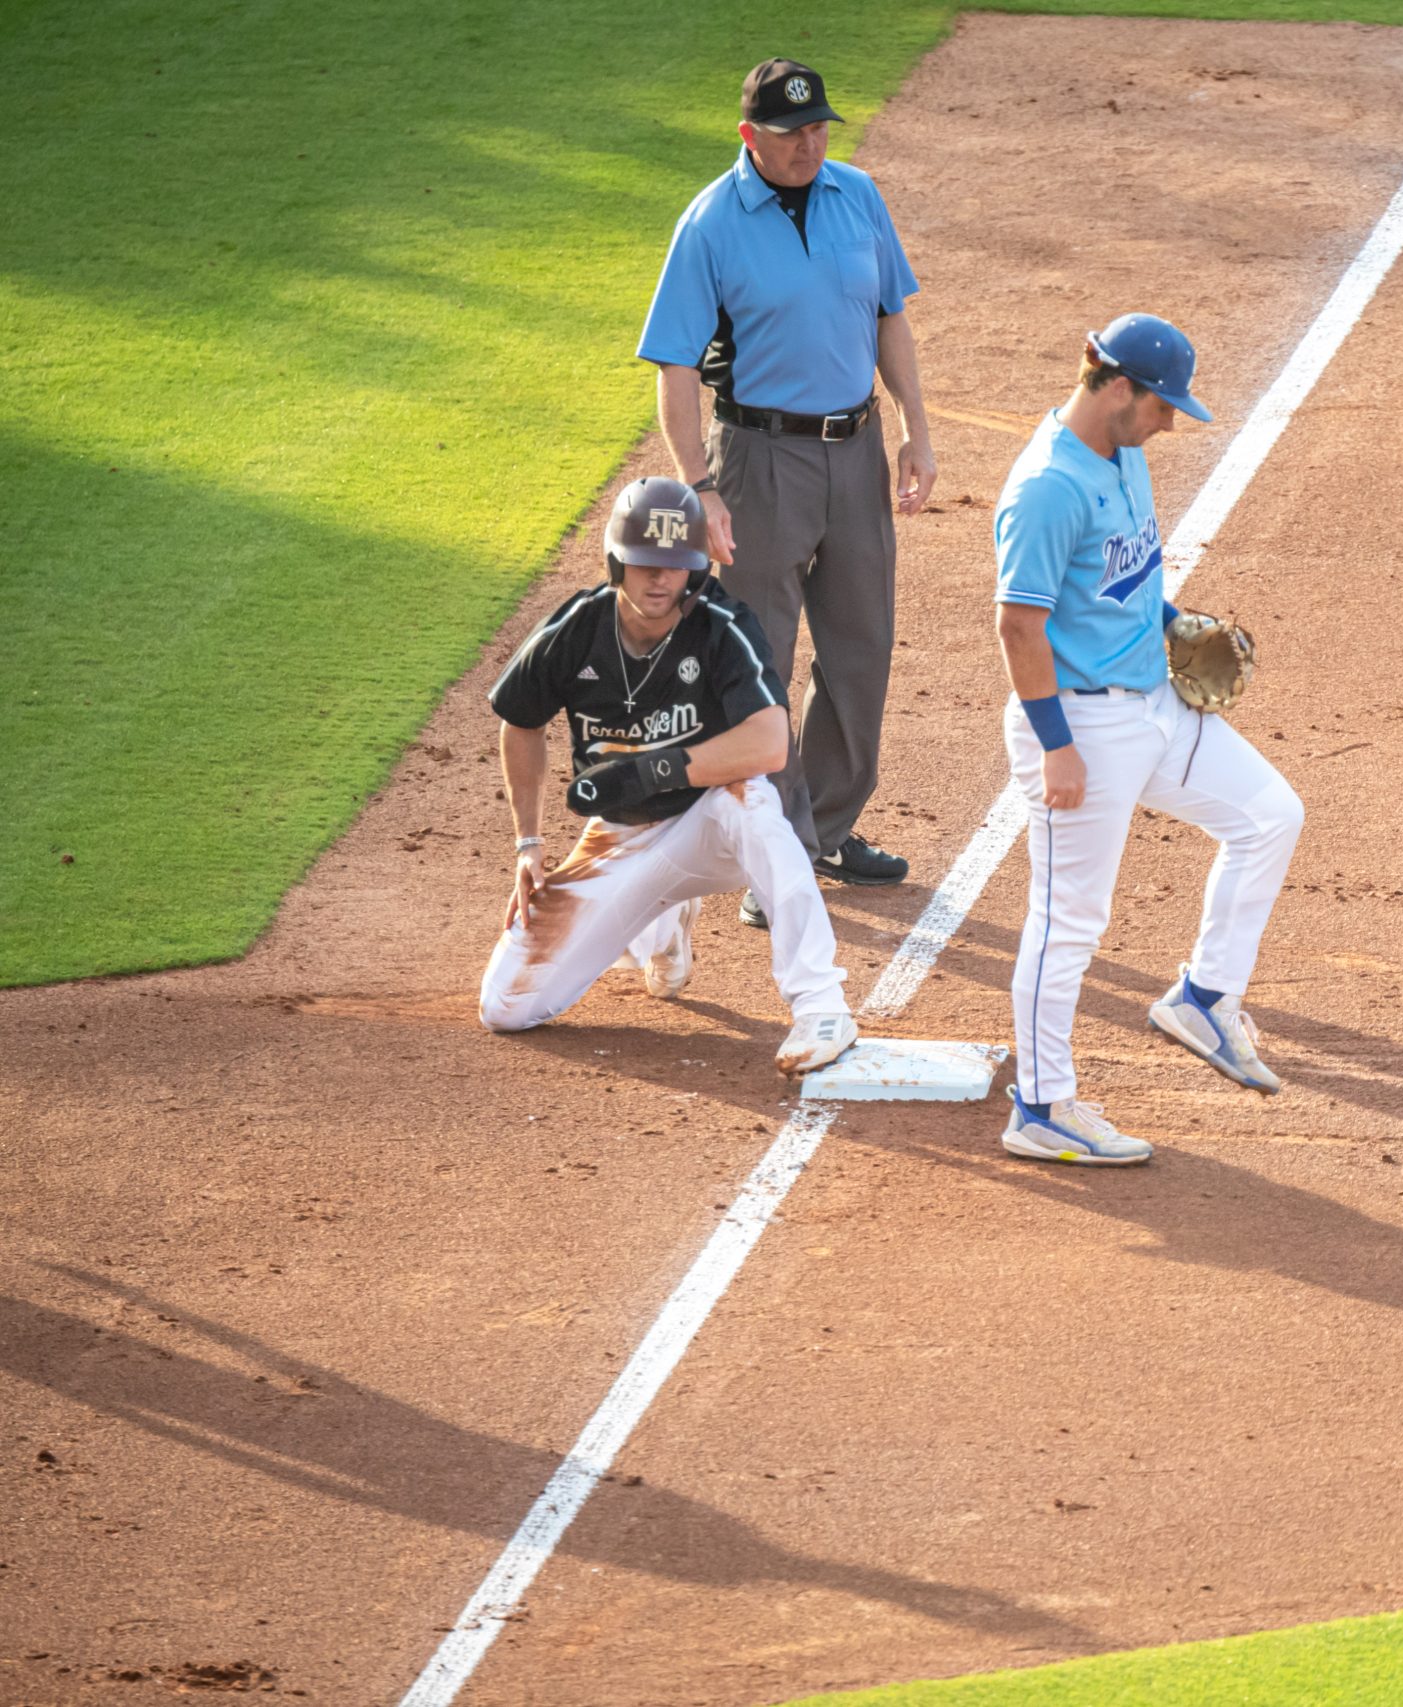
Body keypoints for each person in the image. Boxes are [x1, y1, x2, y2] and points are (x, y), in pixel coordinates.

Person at [991, 315, 1305, 1166]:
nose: (1171, 424)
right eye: (1164, 407)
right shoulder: (1048, 487)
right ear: (1117, 387)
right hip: (1084, 724)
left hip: (1155, 708)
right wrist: (1057, 744)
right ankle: (1043, 1105)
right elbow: (1020, 626)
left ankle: (1204, 997)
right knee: (1068, 923)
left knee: (1271, 813)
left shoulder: (1123, 454)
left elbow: (1126, 577)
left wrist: (1173, 622)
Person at [636, 57, 934, 929]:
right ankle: (781, 849)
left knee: (861, 647)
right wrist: (699, 487)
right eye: (790, 133)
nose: (809, 145)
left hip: (857, 448)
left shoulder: (857, 195)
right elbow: (675, 367)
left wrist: (916, 426)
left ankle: (828, 827)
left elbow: (890, 316)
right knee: (758, 656)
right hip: (758, 459)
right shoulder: (710, 223)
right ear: (748, 138)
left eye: (818, 129)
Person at [479, 476, 858, 1077]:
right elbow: (519, 722)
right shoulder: (577, 628)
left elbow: (769, 741)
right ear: (616, 562)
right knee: (506, 1007)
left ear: (697, 569)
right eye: (645, 564)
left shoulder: (721, 627)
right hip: (622, 838)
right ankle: (661, 925)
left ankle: (821, 1006)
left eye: (676, 566)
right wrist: (528, 844)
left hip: (710, 823)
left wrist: (649, 770)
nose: (660, 580)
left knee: (753, 799)